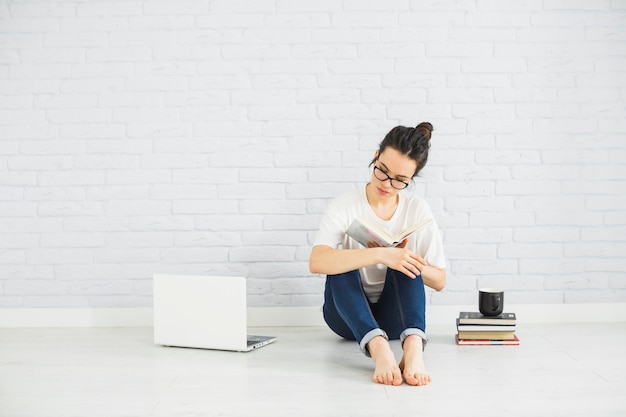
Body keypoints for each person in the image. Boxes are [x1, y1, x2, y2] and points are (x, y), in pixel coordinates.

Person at [309, 122, 446, 386]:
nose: (387, 183)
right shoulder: (345, 205)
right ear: (375, 156)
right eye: (382, 171)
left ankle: (414, 349)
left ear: (411, 179)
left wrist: (404, 260)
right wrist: (381, 254)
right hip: (345, 317)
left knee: (405, 263)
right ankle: (379, 348)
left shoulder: (417, 209)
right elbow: (317, 262)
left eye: (399, 181)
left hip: (396, 318)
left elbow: (440, 280)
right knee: (341, 261)